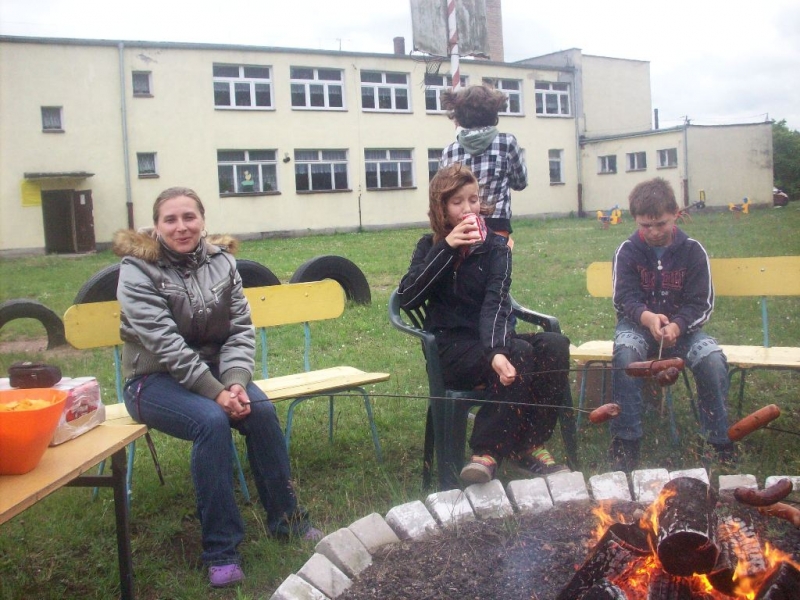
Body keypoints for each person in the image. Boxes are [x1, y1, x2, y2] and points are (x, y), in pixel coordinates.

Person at [113, 186, 321, 588]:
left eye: (189, 217)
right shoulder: (136, 269)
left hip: (215, 374)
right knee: (210, 421)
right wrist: (217, 393)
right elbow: (165, 345)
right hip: (151, 380)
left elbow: (241, 330)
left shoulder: (222, 262)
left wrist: (237, 383)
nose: (181, 227)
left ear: (203, 220)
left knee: (259, 410)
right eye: (170, 219)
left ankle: (289, 521)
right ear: (156, 227)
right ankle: (221, 550)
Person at [397, 163, 569, 486]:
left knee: (553, 346)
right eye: (457, 202)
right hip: (452, 349)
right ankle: (486, 453)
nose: (467, 209)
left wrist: (494, 351)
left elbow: (496, 301)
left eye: (473, 200)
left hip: (489, 337)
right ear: (441, 208)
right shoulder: (428, 247)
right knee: (517, 353)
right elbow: (408, 297)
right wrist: (447, 248)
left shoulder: (496, 249)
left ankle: (529, 443)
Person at [609, 177, 735, 472]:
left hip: (685, 331)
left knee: (712, 360)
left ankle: (718, 439)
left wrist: (677, 325)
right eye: (645, 225)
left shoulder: (693, 251)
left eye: (661, 224)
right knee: (626, 356)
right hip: (637, 326)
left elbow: (700, 303)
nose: (653, 232)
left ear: (676, 214)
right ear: (636, 220)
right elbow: (623, 298)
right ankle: (627, 439)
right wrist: (648, 318)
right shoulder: (627, 251)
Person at [440, 85, 527, 240]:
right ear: (493, 112)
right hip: (497, 224)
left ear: (459, 115)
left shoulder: (449, 152)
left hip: (462, 225)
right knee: (497, 263)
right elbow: (520, 183)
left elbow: (442, 193)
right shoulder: (507, 143)